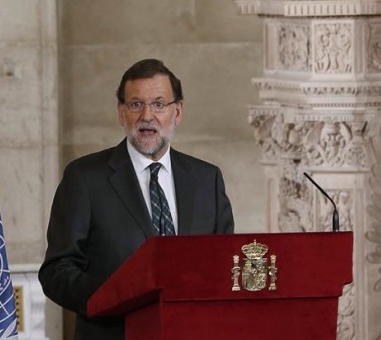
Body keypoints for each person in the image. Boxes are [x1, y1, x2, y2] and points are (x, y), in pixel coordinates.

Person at [39, 58, 235, 340]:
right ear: (121, 112)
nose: (147, 115)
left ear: (177, 111)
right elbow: (56, 271)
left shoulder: (207, 179)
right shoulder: (85, 178)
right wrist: (116, 296)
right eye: (135, 104)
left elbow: (224, 263)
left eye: (158, 104)